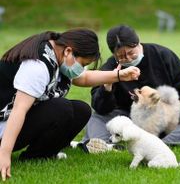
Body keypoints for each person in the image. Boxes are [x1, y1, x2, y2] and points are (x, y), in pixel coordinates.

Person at [0, 28, 140, 181]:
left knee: (81, 110)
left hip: (11, 121)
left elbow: (84, 78)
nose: (81, 69)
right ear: (68, 51)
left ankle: (38, 156)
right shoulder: (38, 65)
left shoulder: (58, 54)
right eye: (83, 64)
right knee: (61, 108)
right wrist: (4, 154)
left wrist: (118, 75)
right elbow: (19, 109)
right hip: (5, 123)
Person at [82, 25, 180, 151]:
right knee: (96, 119)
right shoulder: (110, 67)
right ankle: (108, 146)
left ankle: (162, 144)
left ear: (138, 43)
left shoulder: (162, 54)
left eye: (131, 53)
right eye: (121, 56)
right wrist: (109, 83)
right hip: (127, 116)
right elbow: (100, 108)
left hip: (162, 115)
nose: (128, 58)